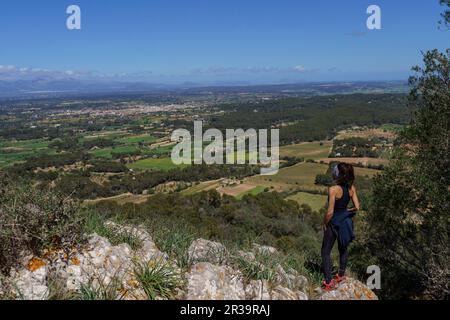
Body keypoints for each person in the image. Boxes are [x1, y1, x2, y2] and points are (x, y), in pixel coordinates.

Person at [321, 162, 360, 291]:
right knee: (343, 248)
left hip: (334, 223)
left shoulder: (333, 189)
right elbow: (357, 207)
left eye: (336, 171)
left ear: (339, 174)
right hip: (345, 222)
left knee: (325, 251)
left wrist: (324, 223)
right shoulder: (351, 188)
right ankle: (341, 275)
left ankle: (328, 282)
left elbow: (330, 212)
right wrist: (346, 212)